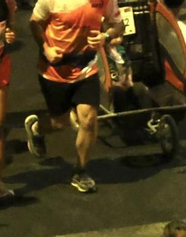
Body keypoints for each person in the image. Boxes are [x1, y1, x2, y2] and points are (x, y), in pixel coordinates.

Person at [23, 0, 121, 193]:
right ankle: (37, 129)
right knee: (60, 122)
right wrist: (46, 49)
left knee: (89, 119)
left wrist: (105, 36)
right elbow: (34, 22)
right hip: (54, 71)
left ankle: (81, 171)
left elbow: (118, 24)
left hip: (86, 69)